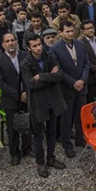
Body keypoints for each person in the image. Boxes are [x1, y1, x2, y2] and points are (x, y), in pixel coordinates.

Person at [20, 33, 67, 177]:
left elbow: (60, 75)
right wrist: (50, 77)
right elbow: (31, 84)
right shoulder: (25, 64)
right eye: (34, 46)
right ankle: (40, 163)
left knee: (52, 131)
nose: (39, 48)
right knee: (38, 135)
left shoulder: (49, 56)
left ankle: (51, 158)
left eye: (39, 44)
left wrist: (41, 76)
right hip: (37, 103)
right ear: (29, 48)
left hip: (52, 100)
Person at [52, 21, 90, 157]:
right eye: (67, 31)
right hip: (67, 88)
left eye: (71, 31)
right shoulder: (55, 49)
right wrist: (73, 82)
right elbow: (59, 70)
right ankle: (67, 144)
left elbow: (86, 63)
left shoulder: (80, 44)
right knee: (66, 119)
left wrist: (82, 80)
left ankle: (80, 139)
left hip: (81, 86)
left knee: (81, 115)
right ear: (61, 33)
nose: (70, 33)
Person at [0, 32, 27, 166]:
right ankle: (14, 153)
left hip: (27, 97)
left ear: (17, 42)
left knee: (27, 123)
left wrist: (27, 93)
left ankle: (27, 147)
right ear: (3, 44)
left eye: (13, 40)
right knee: (12, 128)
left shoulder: (25, 55)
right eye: (7, 41)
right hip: (11, 99)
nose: (10, 43)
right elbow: (1, 83)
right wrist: (19, 95)